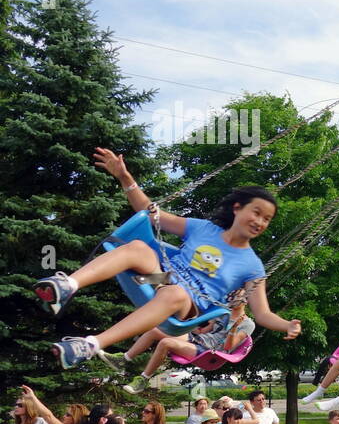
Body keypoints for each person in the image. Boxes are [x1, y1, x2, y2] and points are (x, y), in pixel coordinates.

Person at [36, 149, 300, 368]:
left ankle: (90, 345)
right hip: (158, 277)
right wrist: (125, 177)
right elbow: (152, 214)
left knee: (175, 294)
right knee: (138, 246)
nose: (260, 222)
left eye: (267, 219)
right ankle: (67, 286)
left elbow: (262, 313)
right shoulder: (203, 228)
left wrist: (286, 324)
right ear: (237, 208)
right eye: (256, 213)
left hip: (189, 305)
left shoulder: (252, 265)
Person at [119, 291, 254, 393]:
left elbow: (228, 346)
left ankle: (143, 379)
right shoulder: (223, 313)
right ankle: (124, 359)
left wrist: (234, 328)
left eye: (238, 296)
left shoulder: (248, 324)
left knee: (166, 343)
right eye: (233, 296)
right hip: (199, 340)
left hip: (211, 352)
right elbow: (203, 331)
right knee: (156, 330)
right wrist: (185, 325)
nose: (233, 299)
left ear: (245, 300)